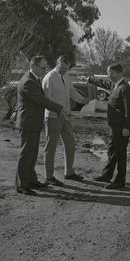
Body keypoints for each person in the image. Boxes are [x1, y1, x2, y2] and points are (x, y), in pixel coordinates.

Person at [15, 55, 63, 195]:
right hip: (28, 123)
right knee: (26, 154)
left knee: (32, 154)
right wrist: (59, 109)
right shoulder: (28, 82)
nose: (44, 70)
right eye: (42, 68)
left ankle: (31, 180)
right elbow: (41, 100)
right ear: (34, 66)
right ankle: (22, 185)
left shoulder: (34, 79)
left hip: (33, 123)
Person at [42, 55, 88, 186]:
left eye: (66, 69)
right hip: (52, 117)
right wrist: (57, 111)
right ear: (57, 64)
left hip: (66, 116)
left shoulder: (66, 76)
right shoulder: (49, 78)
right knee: (51, 147)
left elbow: (72, 91)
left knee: (70, 144)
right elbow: (46, 100)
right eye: (62, 67)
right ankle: (49, 177)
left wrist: (82, 100)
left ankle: (69, 173)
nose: (63, 70)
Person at [88, 63, 130, 189]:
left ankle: (120, 181)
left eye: (108, 72)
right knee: (112, 150)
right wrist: (91, 79)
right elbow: (104, 83)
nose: (107, 75)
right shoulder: (115, 85)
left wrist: (126, 127)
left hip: (121, 127)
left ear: (115, 73)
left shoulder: (125, 88)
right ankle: (107, 175)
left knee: (120, 153)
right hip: (114, 126)